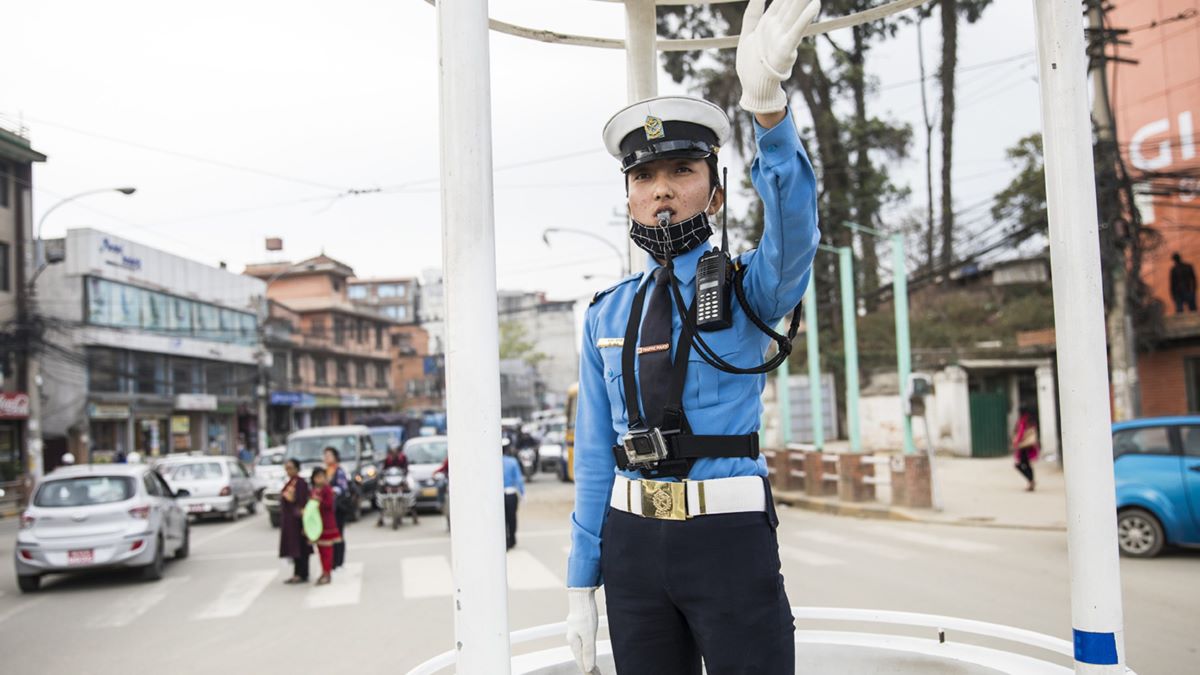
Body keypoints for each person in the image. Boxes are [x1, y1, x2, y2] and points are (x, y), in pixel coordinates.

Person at [564, 2, 821, 672]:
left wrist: (768, 115)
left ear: (713, 191)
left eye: (681, 170)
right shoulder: (604, 315)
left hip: (727, 536)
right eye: (644, 176)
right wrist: (579, 581)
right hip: (631, 544)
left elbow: (795, 227)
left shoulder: (749, 289)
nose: (661, 190)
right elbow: (594, 454)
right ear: (628, 197)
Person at [279, 459, 312, 584]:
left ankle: (302, 573)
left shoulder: (300, 483)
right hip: (290, 521)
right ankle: (298, 573)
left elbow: (302, 502)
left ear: (297, 468)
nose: (288, 471)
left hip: (298, 521)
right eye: (286, 468)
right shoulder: (290, 482)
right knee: (294, 548)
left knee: (300, 547)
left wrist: (304, 522)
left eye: (290, 468)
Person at [308, 467, 341, 585]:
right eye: (317, 477)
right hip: (317, 525)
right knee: (320, 551)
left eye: (321, 476)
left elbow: (329, 504)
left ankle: (327, 573)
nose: (319, 479)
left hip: (327, 524)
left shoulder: (327, 489)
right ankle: (324, 571)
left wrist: (319, 501)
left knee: (327, 551)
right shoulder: (314, 489)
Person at [323, 446, 351, 570]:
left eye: (329, 455)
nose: (326, 458)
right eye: (325, 455)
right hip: (328, 509)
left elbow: (343, 488)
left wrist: (331, 490)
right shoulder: (325, 471)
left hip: (339, 507)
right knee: (330, 536)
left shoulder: (339, 471)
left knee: (339, 534)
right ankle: (332, 562)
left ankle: (339, 562)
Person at [501, 444, 526, 550]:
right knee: (512, 518)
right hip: (511, 494)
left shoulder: (491, 462)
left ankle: (505, 540)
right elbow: (518, 479)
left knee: (502, 519)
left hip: (499, 496)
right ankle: (512, 539)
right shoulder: (512, 461)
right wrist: (522, 493)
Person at [1013, 409, 1040, 492]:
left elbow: (1021, 432)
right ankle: (1031, 481)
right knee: (1027, 465)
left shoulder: (1023, 420)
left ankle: (1031, 481)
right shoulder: (1032, 421)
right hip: (1030, 447)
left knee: (1019, 465)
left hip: (1024, 448)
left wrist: (1016, 442)